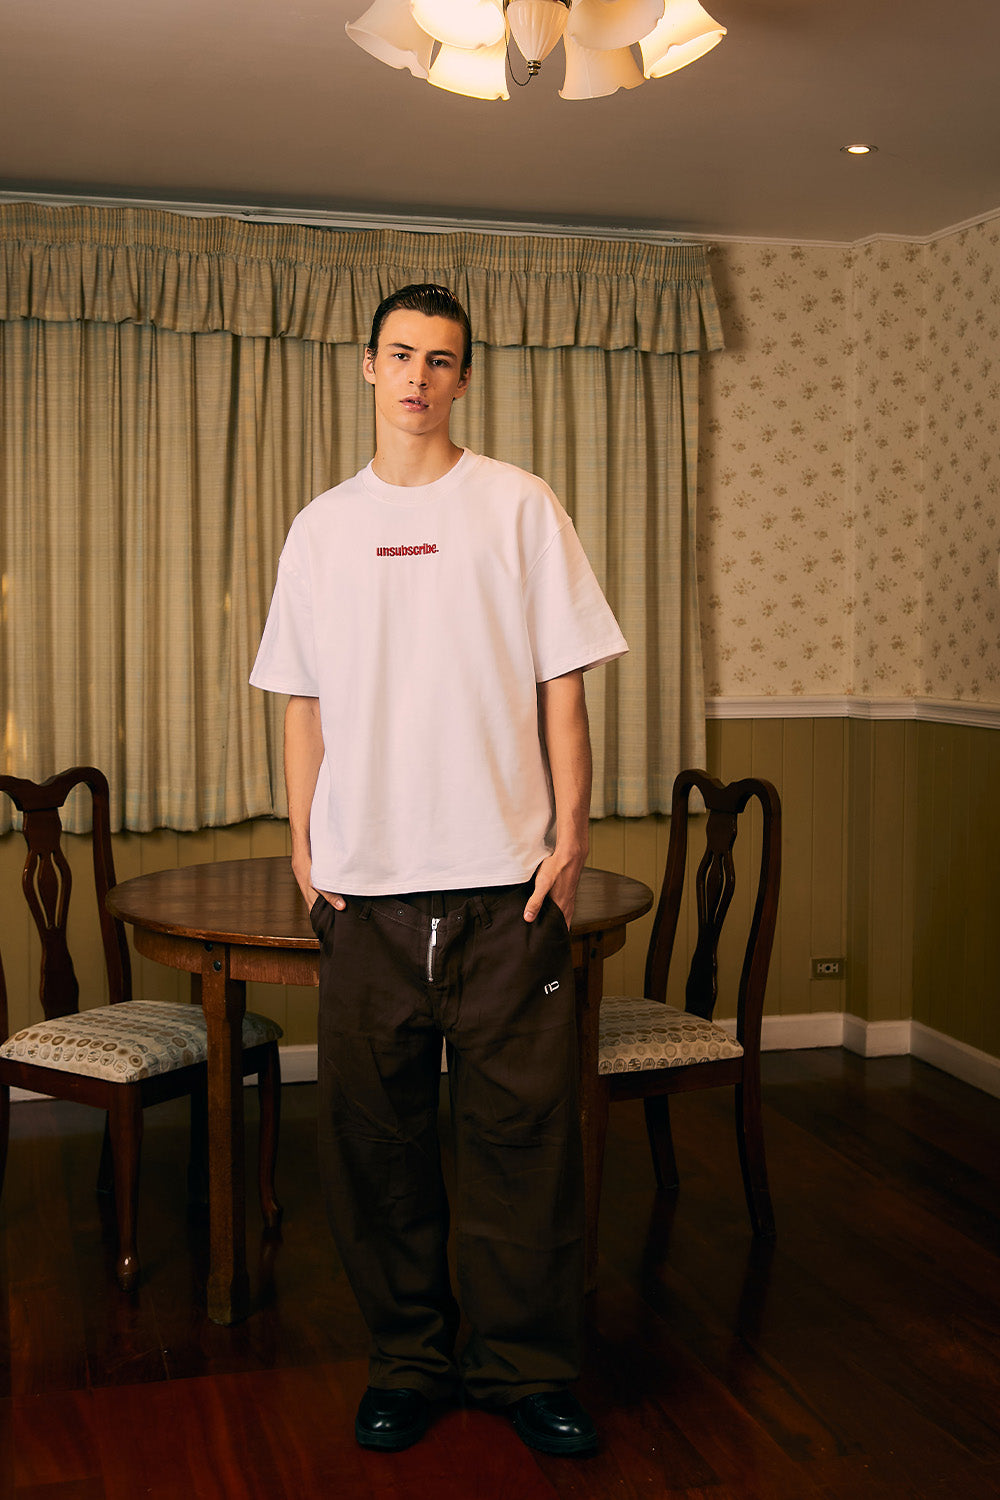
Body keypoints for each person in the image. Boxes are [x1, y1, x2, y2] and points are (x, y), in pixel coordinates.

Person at [250, 283, 627, 1457]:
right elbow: (301, 701)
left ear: (464, 378)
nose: (419, 376)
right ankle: (407, 1363)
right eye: (401, 354)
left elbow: (562, 682)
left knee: (526, 1142)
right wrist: (305, 844)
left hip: (511, 895)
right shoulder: (321, 528)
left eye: (442, 359)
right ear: (368, 366)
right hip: (364, 898)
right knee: (377, 1147)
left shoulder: (517, 504)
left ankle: (526, 1370)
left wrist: (570, 834)